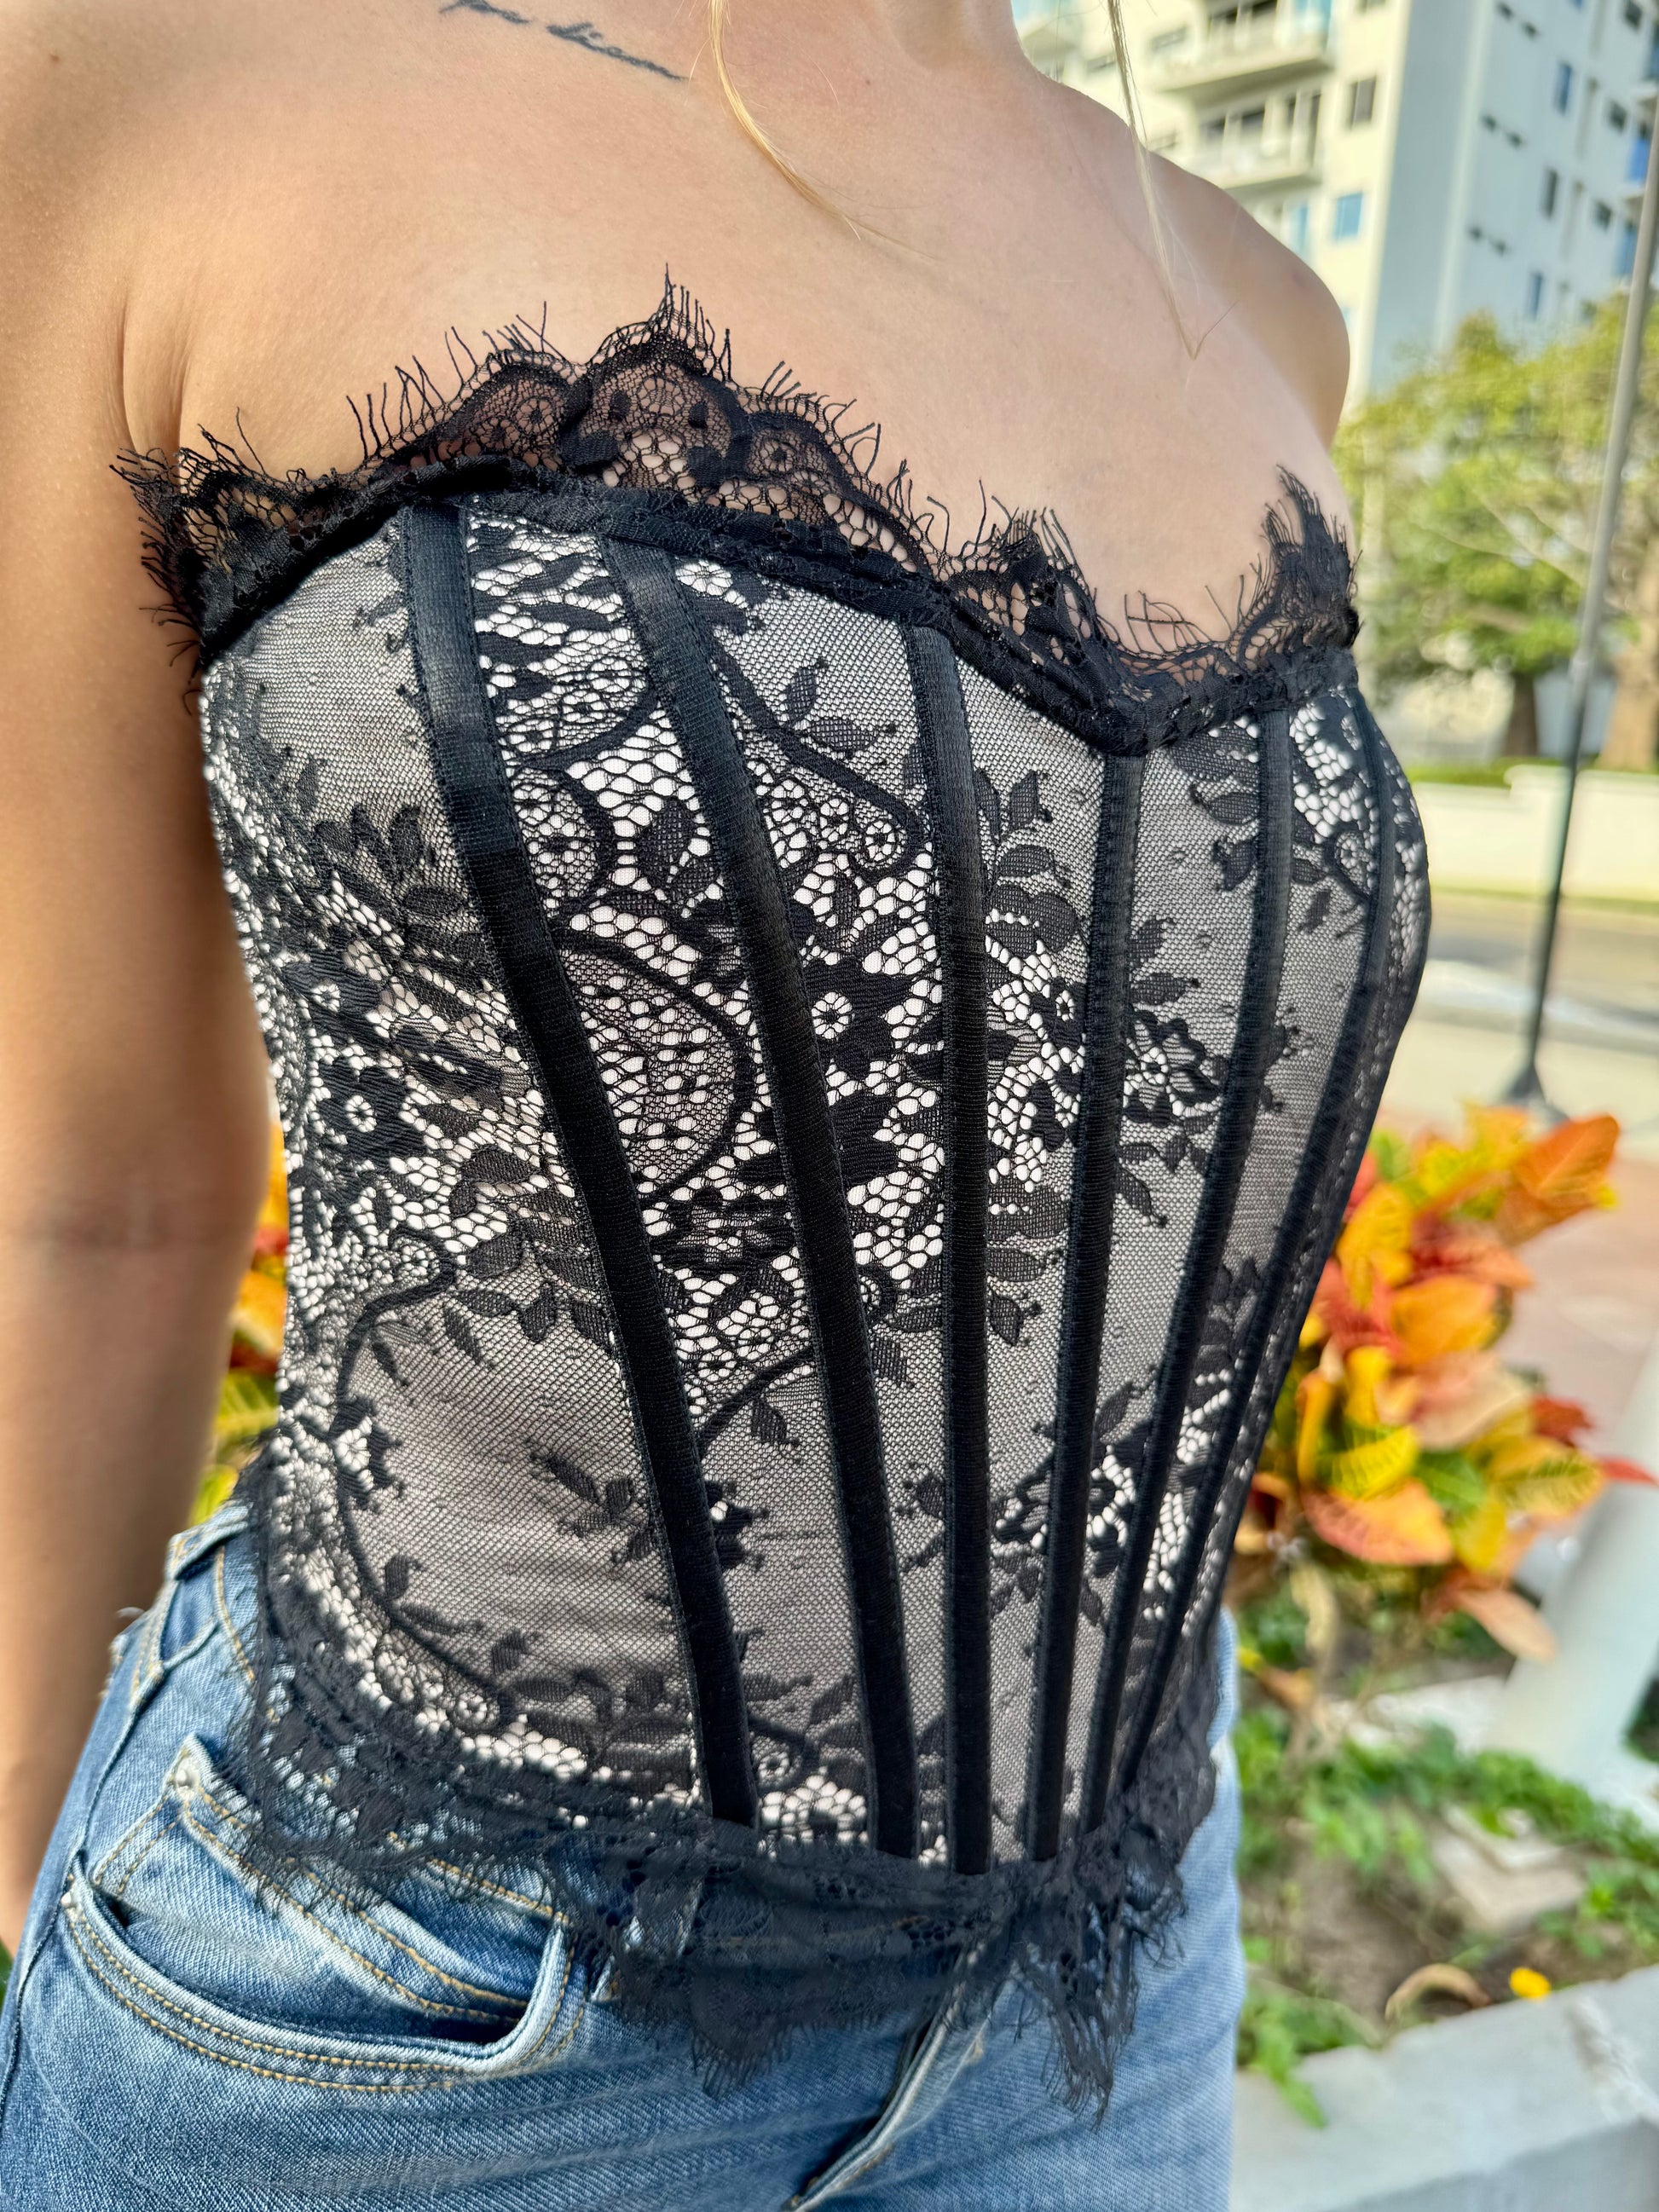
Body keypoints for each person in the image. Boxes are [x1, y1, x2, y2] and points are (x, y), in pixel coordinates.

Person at [0, 3, 1428, 2204]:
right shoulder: (149, 77)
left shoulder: (1257, 304)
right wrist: (9, 1875)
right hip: (401, 2013)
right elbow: (92, 1183)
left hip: (1104, 2002)